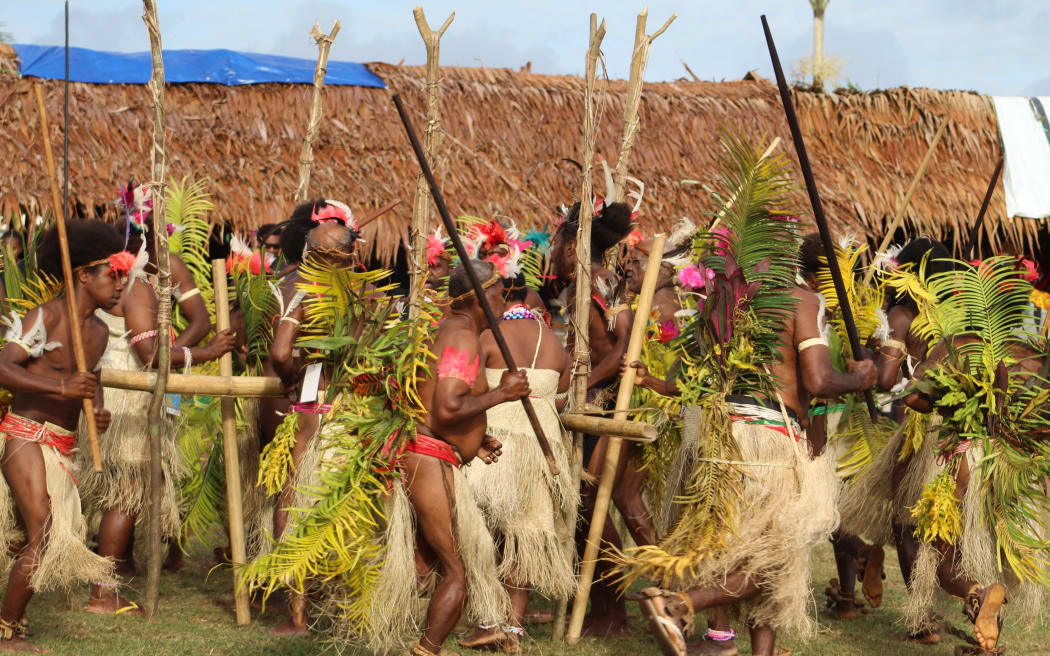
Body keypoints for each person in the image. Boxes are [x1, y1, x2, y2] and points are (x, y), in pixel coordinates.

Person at [78, 245, 237, 614]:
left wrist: (175, 356)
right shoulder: (134, 285)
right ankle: (103, 593)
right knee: (127, 491)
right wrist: (205, 353)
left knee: (121, 491)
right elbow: (149, 354)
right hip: (128, 394)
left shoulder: (108, 278)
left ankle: (107, 578)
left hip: (114, 388)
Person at [0, 220, 128, 652]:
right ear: (82, 275)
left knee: (32, 538)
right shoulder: (45, 317)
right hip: (26, 437)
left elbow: (90, 380)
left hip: (62, 445)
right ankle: (7, 630)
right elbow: (2, 366)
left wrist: (97, 409)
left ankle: (12, 626)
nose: (120, 284)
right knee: (43, 535)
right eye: (113, 273)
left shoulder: (99, 331)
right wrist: (60, 388)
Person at [459, 272, 575, 652]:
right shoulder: (556, 346)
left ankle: (487, 620)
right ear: (533, 304)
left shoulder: (488, 338)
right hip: (540, 455)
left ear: (501, 300)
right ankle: (514, 629)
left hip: (493, 449)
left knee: (485, 536)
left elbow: (469, 390)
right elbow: (559, 399)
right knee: (522, 540)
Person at [261, 199, 361, 636]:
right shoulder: (371, 293)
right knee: (350, 501)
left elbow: (280, 352)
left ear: (310, 254)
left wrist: (291, 376)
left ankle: (297, 616)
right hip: (361, 404)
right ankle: (344, 609)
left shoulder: (306, 291)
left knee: (294, 499)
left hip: (316, 399)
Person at [549, 199, 640, 635]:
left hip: (603, 405)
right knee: (584, 511)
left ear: (571, 247)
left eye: (554, 243)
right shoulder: (577, 288)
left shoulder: (604, 282)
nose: (550, 252)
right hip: (585, 403)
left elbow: (626, 343)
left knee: (594, 508)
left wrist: (579, 390)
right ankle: (602, 609)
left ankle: (615, 611)